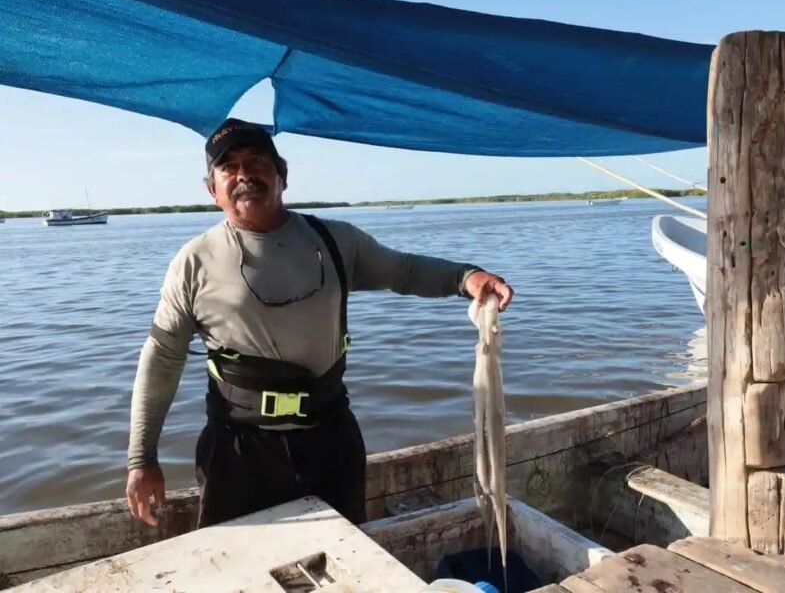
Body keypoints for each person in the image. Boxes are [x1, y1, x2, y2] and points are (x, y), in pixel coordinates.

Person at [125, 118, 514, 528]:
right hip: (238, 450)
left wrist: (466, 278)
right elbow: (163, 356)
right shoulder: (192, 262)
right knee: (236, 562)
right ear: (212, 189)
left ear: (282, 176)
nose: (244, 175)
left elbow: (404, 271)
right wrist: (141, 458)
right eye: (228, 166)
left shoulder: (336, 241)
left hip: (329, 438)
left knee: (346, 556)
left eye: (257, 161)